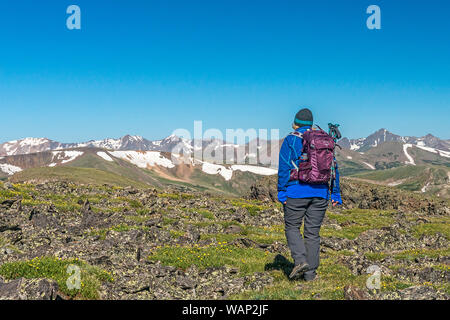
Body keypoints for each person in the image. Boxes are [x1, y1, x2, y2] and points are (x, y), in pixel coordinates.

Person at [277, 108, 342, 281]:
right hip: (321, 192)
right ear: (311, 123)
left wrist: (282, 191)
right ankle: (310, 276)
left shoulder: (291, 139)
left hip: (296, 192)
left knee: (292, 227)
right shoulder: (323, 140)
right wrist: (335, 193)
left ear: (295, 122)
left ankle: (299, 261)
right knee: (312, 233)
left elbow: (284, 167)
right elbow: (334, 167)